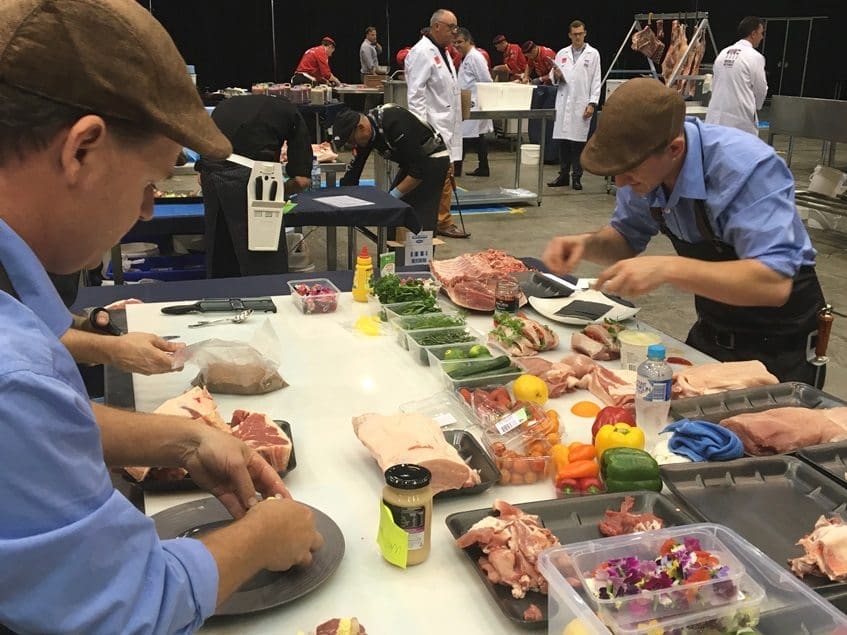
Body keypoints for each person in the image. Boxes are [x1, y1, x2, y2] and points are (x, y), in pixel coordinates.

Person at [0, 3, 323, 632]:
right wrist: (260, 539)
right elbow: (123, 609)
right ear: (83, 149)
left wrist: (188, 437)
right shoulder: (14, 370)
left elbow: (37, 433)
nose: (148, 212)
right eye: (150, 183)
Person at [543, 78, 827, 385]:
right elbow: (625, 239)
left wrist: (669, 267)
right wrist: (586, 245)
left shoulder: (746, 169)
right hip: (712, 332)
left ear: (674, 149)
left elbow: (773, 285)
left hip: (782, 347)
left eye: (628, 169)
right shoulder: (644, 169)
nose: (621, 182)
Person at [196, 94, 312, 278]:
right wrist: (280, 192)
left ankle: (221, 300)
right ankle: (265, 300)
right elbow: (301, 181)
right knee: (263, 261)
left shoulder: (227, 105)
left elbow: (201, 175)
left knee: (221, 252)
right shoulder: (292, 114)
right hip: (255, 178)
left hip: (210, 173)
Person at [335, 105, 451, 233]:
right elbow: (356, 167)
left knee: (418, 219)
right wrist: (343, 194)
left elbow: (419, 170)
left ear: (361, 128)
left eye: (351, 140)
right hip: (412, 163)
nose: (352, 145)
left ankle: (419, 249)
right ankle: (394, 251)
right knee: (393, 216)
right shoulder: (367, 132)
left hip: (433, 160)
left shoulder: (395, 123)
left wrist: (393, 195)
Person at [405, 9, 470, 239]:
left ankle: (441, 219)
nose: (455, 32)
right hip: (433, 126)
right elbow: (416, 95)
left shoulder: (442, 52)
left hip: (446, 123)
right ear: (436, 27)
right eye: (451, 27)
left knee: (446, 172)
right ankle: (440, 221)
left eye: (456, 27)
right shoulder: (422, 52)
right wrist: (421, 131)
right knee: (439, 174)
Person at [548, 20, 601, 191]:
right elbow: (553, 78)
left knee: (577, 143)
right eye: (574, 34)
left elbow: (596, 81)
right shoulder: (562, 53)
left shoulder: (593, 54)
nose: (578, 37)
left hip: (581, 102)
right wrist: (556, 75)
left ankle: (576, 177)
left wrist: (592, 103)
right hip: (564, 102)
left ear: (585, 33)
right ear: (570, 35)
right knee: (563, 141)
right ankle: (563, 175)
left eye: (580, 33)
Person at [705, 16, 767, 136]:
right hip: (739, 121)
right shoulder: (755, 57)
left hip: (715, 117)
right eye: (761, 33)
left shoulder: (723, 53)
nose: (762, 37)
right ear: (753, 34)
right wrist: (757, 106)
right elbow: (761, 89)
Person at [454, 28, 493, 177]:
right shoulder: (466, 57)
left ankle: (456, 170)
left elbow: (486, 80)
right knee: (476, 136)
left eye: (460, 42)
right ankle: (483, 167)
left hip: (475, 102)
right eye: (455, 42)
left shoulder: (476, 57)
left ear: (469, 41)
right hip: (467, 101)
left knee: (465, 135)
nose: (457, 45)